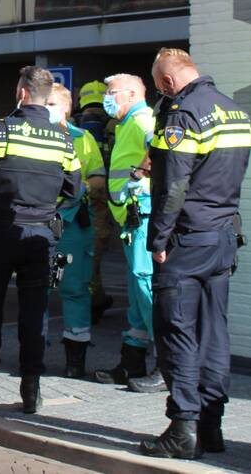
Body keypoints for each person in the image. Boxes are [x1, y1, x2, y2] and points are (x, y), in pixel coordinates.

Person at [139, 48, 251, 459]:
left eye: (159, 87)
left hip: (187, 241)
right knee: (214, 334)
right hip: (222, 237)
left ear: (168, 82)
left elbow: (173, 186)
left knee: (178, 333)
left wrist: (158, 240)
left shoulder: (183, 114)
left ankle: (182, 429)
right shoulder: (235, 111)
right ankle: (211, 426)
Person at [0, 66, 80, 414]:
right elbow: (74, 190)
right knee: (35, 312)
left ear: (22, 92)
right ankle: (31, 391)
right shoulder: (63, 139)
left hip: (0, 231)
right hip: (41, 235)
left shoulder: (2, 130)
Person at [92, 74, 163, 392]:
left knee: (144, 284)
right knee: (136, 292)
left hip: (141, 213)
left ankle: (166, 364)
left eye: (111, 92)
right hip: (131, 217)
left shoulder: (142, 119)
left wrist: (141, 174)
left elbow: (160, 149)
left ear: (132, 94)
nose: (107, 98)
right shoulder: (126, 124)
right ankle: (131, 363)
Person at [46, 83, 106, 378]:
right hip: (38, 221)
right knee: (36, 290)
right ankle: (32, 356)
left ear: (67, 108)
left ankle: (75, 359)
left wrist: (79, 188)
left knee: (76, 289)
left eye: (51, 103)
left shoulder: (84, 139)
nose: (46, 108)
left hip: (72, 223)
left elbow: (98, 179)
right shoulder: (31, 135)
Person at [74, 80, 116, 323]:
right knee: (94, 253)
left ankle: (90, 299)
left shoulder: (74, 127)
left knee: (83, 252)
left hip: (77, 196)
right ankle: (92, 301)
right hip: (107, 196)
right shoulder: (114, 126)